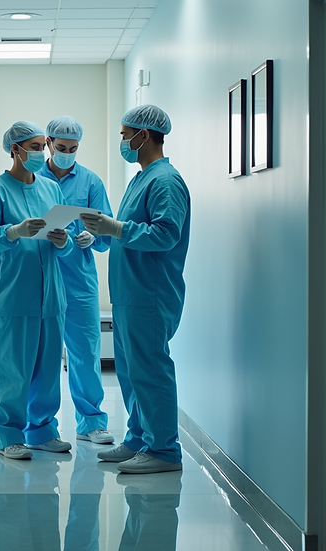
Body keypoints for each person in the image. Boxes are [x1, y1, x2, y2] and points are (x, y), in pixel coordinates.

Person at [80, 105, 190, 474]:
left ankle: (164, 450)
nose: (123, 142)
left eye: (125, 135)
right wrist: (107, 228)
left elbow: (165, 234)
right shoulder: (141, 178)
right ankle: (139, 438)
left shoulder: (165, 181)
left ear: (143, 135)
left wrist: (115, 228)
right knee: (131, 373)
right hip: (130, 293)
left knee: (151, 372)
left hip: (150, 294)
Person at [0, 120, 75, 460]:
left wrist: (64, 241)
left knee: (48, 369)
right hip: (15, 296)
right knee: (12, 370)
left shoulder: (51, 190)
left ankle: (42, 431)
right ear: (15, 149)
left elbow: (67, 243)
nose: (41, 153)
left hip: (51, 298)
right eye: (34, 147)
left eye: (43, 147)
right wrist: (13, 232)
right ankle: (9, 435)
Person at [36, 116, 115, 446]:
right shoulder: (32, 179)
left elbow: (107, 235)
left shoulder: (90, 182)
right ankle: (40, 427)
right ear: (49, 143)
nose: (67, 154)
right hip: (42, 276)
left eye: (73, 149)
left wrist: (92, 237)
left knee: (85, 352)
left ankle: (91, 422)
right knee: (43, 355)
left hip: (79, 281)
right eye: (62, 148)